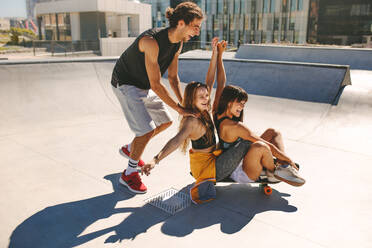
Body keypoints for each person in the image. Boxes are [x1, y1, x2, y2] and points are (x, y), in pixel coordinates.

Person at [111, 2, 204, 194]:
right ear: (180, 23)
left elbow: (172, 77)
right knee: (145, 131)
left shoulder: (178, 44)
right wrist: (180, 109)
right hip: (126, 83)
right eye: (194, 27)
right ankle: (129, 174)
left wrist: (184, 104)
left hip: (143, 85)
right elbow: (156, 84)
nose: (197, 32)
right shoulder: (150, 41)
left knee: (165, 122)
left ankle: (131, 148)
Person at [214, 85, 305, 186]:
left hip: (245, 158)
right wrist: (289, 159)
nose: (242, 106)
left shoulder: (217, 113)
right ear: (228, 102)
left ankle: (283, 167)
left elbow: (220, 83)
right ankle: (273, 173)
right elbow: (268, 145)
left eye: (243, 104)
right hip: (240, 171)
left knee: (273, 132)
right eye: (239, 103)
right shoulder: (234, 126)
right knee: (261, 146)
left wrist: (216, 68)